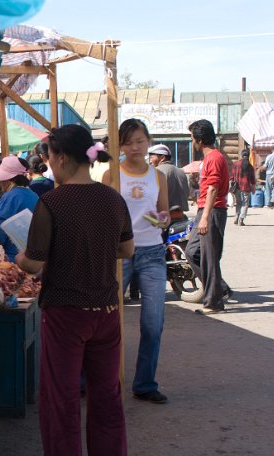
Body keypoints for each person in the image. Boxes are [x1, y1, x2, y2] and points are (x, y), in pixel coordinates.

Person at [15, 124, 133, 456]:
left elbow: (33, 264)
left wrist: (19, 256)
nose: (48, 164)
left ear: (61, 157)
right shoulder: (113, 199)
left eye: (49, 157)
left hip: (67, 313)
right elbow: (127, 249)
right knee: (107, 396)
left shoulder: (53, 202)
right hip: (107, 311)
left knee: (61, 399)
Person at [104, 119, 170, 404]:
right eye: (128, 142)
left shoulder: (158, 177)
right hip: (119, 254)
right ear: (119, 145)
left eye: (140, 141)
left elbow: (164, 214)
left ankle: (145, 383)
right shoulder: (111, 175)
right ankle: (98, 380)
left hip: (153, 252)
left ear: (148, 142)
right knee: (105, 320)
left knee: (153, 322)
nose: (135, 147)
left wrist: (163, 219)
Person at [186, 119, 231, 314]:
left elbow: (213, 188)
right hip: (205, 210)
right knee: (192, 251)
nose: (192, 141)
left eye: (192, 137)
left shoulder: (214, 158)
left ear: (199, 139)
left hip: (212, 211)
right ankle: (219, 288)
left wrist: (204, 217)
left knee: (209, 257)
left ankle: (213, 302)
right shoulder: (209, 158)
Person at [0, 156, 39, 259]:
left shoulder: (10, 198)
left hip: (10, 260)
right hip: (31, 259)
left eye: (0, 179)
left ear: (9, 180)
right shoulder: (34, 195)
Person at [148, 144, 190, 221]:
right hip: (181, 217)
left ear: (162, 158)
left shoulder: (157, 172)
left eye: (151, 157)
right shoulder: (181, 172)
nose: (150, 161)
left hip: (164, 219)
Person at [232, 148, 256, 225]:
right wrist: (253, 188)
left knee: (238, 203)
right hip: (246, 187)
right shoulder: (250, 166)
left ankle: (236, 216)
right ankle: (241, 219)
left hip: (237, 187)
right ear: (248, 156)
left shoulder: (235, 164)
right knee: (245, 204)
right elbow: (252, 179)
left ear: (241, 155)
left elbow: (232, 176)